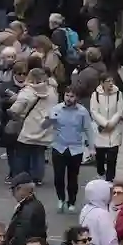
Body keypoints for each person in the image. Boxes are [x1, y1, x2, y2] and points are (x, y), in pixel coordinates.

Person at [42, 84, 97, 213]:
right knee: (58, 177)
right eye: (67, 95)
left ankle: (71, 201)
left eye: (72, 96)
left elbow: (88, 130)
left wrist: (92, 147)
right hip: (58, 147)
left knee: (73, 178)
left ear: (76, 98)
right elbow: (44, 126)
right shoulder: (56, 109)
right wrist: (48, 120)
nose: (69, 98)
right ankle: (61, 198)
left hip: (76, 149)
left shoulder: (82, 111)